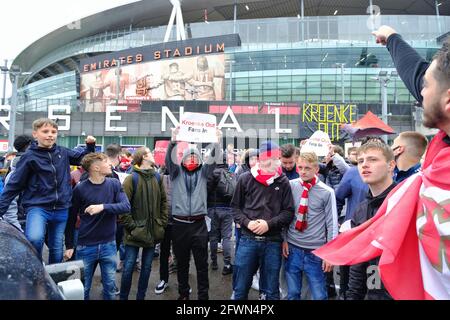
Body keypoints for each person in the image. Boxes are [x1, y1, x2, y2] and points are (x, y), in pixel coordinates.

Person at [0, 118, 96, 264]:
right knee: (34, 238)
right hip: (38, 207)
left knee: (56, 246)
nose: (50, 135)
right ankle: (36, 267)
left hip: (61, 207)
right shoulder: (29, 157)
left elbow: (83, 159)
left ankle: (53, 277)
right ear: (35, 134)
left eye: (53, 132)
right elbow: (14, 185)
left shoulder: (62, 152)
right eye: (45, 131)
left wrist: (90, 145)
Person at [231, 141, 295, 300]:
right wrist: (247, 222)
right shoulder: (245, 179)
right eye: (269, 161)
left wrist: (269, 224)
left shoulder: (283, 181)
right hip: (247, 240)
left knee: (271, 291)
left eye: (276, 160)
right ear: (259, 160)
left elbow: (288, 212)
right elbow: (235, 208)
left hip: (273, 242)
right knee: (240, 288)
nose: (273, 165)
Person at [165, 126, 221, 300]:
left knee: (202, 264)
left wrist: (216, 141)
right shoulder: (175, 173)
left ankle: (203, 296)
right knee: (181, 263)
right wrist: (173, 140)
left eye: (194, 156)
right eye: (188, 156)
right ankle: (183, 294)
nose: (191, 159)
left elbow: (212, 159)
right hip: (180, 225)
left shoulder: (204, 173)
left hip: (199, 225)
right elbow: (169, 160)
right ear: (182, 158)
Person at [65, 152, 130, 300]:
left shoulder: (114, 183)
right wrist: (69, 245)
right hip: (86, 246)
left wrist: (103, 207)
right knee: (83, 288)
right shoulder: (80, 189)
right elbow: (70, 219)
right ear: (96, 168)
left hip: (109, 244)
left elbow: (126, 206)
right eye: (106, 162)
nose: (110, 164)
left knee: (110, 288)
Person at [346, 141, 397, 299]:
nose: (365, 165)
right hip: (373, 289)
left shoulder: (404, 201)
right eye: (361, 161)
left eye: (372, 159)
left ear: (391, 165)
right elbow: (358, 261)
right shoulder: (361, 210)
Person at [283, 152, 338, 300]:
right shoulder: (290, 186)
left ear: (316, 169)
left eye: (307, 168)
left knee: (319, 295)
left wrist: (330, 254)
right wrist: (284, 240)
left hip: (316, 251)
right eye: (300, 167)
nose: (303, 171)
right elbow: (286, 215)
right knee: (293, 293)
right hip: (293, 248)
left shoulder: (327, 192)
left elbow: (332, 223)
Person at [119, 147, 168, 300]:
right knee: (128, 268)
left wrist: (161, 222)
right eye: (150, 153)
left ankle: (141, 297)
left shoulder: (158, 178)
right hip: (134, 232)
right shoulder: (131, 179)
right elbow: (123, 207)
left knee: (146, 268)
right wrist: (133, 227)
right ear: (143, 157)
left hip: (153, 231)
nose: (153, 156)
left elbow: (163, 202)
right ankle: (123, 297)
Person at [207, 151, 235, 275]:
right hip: (228, 210)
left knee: (213, 237)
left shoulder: (211, 173)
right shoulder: (231, 174)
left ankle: (213, 263)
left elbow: (206, 191)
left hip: (213, 209)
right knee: (227, 238)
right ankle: (227, 264)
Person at [2, 134, 33, 231]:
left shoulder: (12, 166)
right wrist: (18, 229)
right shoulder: (20, 169)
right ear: (29, 145)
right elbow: (10, 203)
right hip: (22, 221)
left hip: (25, 220)